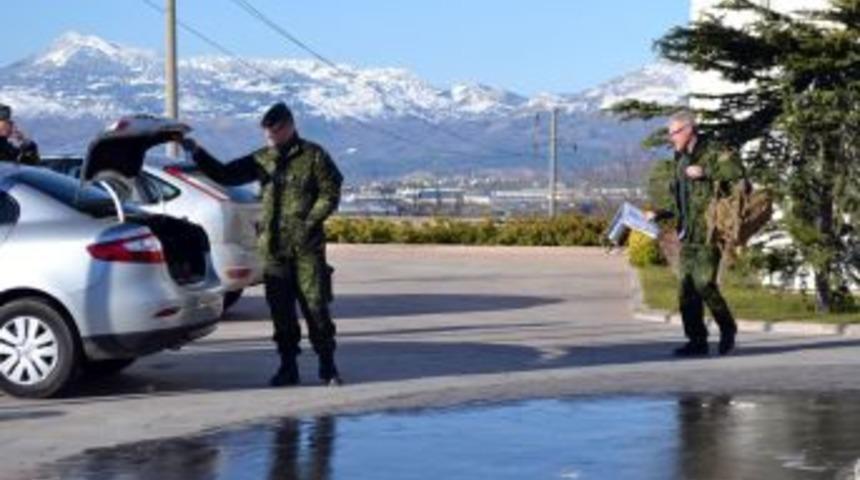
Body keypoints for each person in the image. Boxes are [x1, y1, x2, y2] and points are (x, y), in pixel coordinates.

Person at [181, 102, 344, 386]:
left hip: (307, 250)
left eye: (275, 132)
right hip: (274, 251)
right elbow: (225, 174)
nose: (270, 138)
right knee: (281, 313)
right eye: (266, 133)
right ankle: (288, 367)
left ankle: (327, 366)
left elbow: (331, 193)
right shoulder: (263, 159)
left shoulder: (314, 156)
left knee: (315, 308)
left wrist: (308, 223)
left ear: (289, 127)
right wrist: (196, 152)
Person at [648, 111, 743, 357]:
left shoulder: (714, 150)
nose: (671, 138)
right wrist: (660, 213)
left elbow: (737, 173)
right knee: (687, 289)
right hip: (687, 232)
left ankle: (727, 327)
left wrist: (707, 172)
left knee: (703, 283)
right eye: (670, 133)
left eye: (675, 132)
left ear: (690, 129)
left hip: (709, 230)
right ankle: (697, 341)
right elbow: (679, 197)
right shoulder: (679, 159)